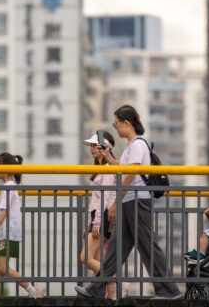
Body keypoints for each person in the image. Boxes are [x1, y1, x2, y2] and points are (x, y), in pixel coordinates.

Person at [75, 105, 182, 300]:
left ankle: (169, 290)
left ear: (126, 123)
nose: (115, 127)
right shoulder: (130, 145)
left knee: (148, 247)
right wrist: (108, 155)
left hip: (137, 201)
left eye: (116, 123)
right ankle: (95, 289)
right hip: (130, 201)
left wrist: (116, 202)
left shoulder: (138, 144)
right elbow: (122, 167)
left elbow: (131, 174)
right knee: (116, 249)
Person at [0, 152, 46, 299]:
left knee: (2, 267)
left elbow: (4, 211)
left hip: (5, 233)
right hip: (3, 233)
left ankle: (33, 290)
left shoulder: (9, 186)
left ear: (6, 168)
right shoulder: (9, 186)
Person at [79, 131, 130, 299]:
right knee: (97, 258)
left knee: (86, 257)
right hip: (99, 217)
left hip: (101, 217)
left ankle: (117, 282)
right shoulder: (103, 168)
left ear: (105, 147)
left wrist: (96, 223)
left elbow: (105, 198)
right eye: (91, 146)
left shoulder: (108, 169)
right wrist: (89, 224)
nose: (92, 148)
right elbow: (96, 200)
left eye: (95, 145)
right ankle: (110, 291)